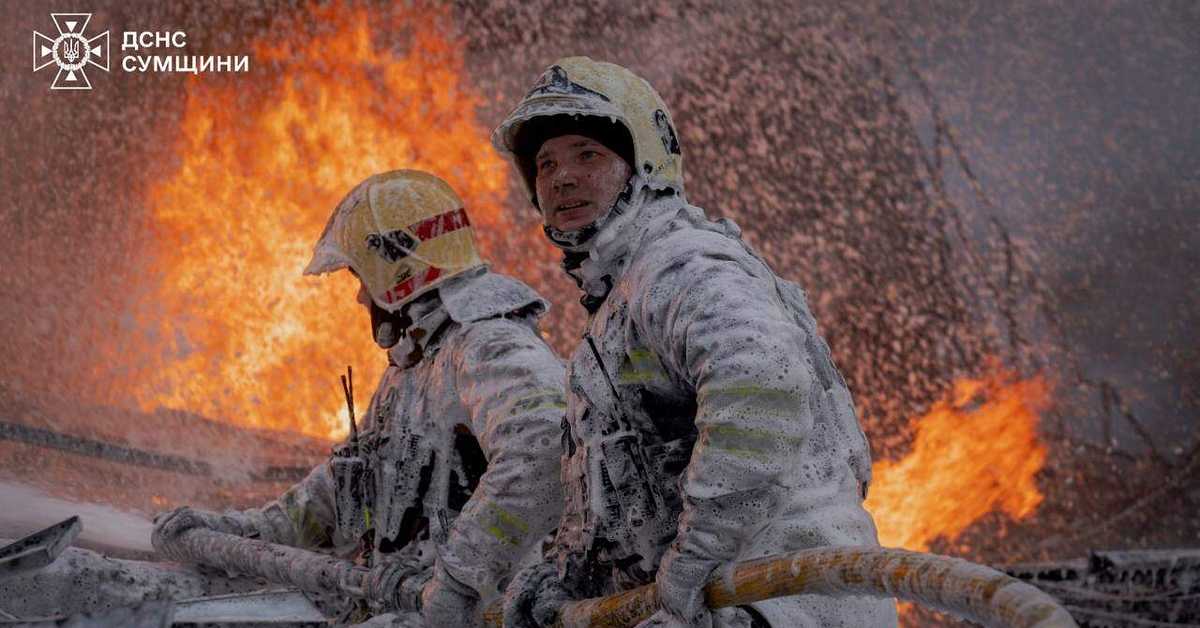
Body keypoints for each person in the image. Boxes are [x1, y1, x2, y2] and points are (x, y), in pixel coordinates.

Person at [493, 57, 899, 627]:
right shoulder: (618, 303)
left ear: (644, 164)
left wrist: (695, 563)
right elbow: (624, 485)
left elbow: (762, 385)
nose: (562, 178)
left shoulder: (680, 265)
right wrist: (562, 575)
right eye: (545, 164)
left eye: (588, 154)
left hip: (785, 601)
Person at [152, 170, 566, 627]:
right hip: (393, 606)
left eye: (361, 276)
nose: (359, 296)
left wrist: (458, 580)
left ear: (396, 271)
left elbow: (544, 446)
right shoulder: (413, 369)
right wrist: (240, 533)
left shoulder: (488, 346)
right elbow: (339, 491)